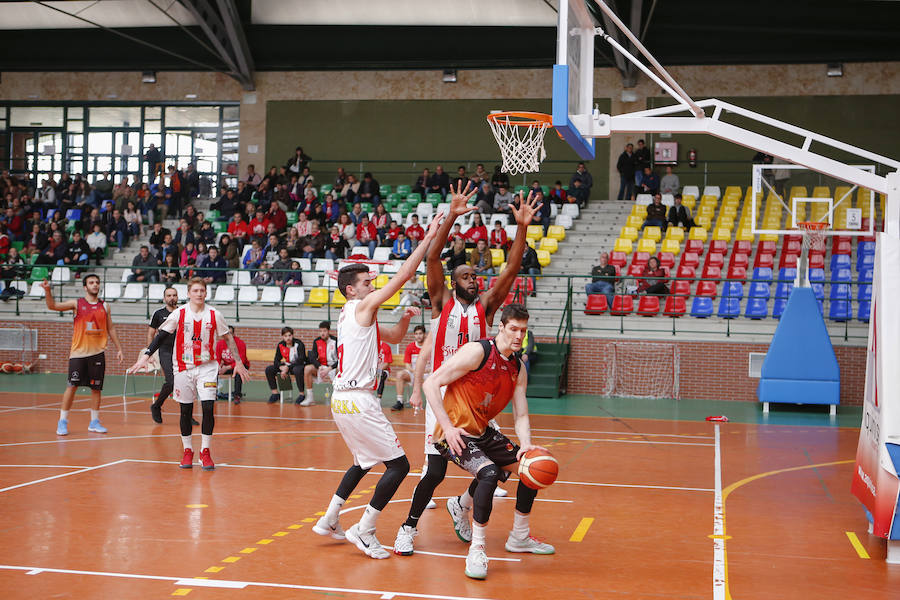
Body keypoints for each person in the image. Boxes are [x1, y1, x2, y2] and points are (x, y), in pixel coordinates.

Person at [392, 185, 541, 556]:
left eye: (475, 274)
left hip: (476, 395)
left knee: (502, 468)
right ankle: (407, 528)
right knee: (435, 472)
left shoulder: (486, 309)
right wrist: (453, 216)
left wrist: (521, 228)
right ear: (453, 281)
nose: (472, 278)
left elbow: (511, 269)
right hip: (442, 394)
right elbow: (431, 263)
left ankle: (462, 504)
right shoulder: (441, 303)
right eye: (465, 275)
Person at [312, 213, 445, 559]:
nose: (372, 286)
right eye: (367, 282)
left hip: (342, 399)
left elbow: (395, 337)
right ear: (351, 290)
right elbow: (402, 277)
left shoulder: (353, 315)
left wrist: (404, 318)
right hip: (358, 399)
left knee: (363, 461)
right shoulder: (362, 304)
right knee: (399, 466)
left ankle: (329, 518)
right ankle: (365, 528)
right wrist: (427, 239)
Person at [424, 303, 554, 579]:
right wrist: (446, 427)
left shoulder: (517, 368)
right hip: (453, 434)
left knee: (531, 468)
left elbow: (520, 413)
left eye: (524, 330)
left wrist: (527, 445)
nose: (519, 336)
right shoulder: (478, 352)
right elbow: (431, 383)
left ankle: (518, 537)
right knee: (490, 473)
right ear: (502, 328)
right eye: (514, 329)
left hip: (482, 432)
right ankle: (477, 549)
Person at [127, 277, 250, 470]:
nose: (199, 294)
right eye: (195, 291)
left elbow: (228, 338)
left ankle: (205, 452)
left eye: (202, 291)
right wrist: (146, 355)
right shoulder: (179, 313)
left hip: (207, 367)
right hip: (183, 367)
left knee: (208, 408)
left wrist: (239, 362)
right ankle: (187, 451)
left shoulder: (214, 314)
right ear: (189, 293)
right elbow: (161, 336)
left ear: (206, 293)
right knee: (185, 410)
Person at [43, 275, 124, 436]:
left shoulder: (105, 306)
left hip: (97, 353)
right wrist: (47, 290)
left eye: (97, 282)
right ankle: (62, 421)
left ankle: (94, 422)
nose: (95, 285)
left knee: (96, 388)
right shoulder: (77, 304)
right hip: (78, 354)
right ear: (85, 287)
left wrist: (119, 348)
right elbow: (52, 306)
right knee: (72, 386)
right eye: (91, 283)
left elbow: (111, 328)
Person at [147, 287, 198, 424]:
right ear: (164, 298)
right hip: (165, 351)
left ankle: (187, 415)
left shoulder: (184, 312)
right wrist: (149, 353)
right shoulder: (158, 314)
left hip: (182, 351)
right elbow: (151, 334)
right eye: (169, 295)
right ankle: (156, 406)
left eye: (174, 295)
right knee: (172, 381)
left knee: (186, 382)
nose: (172, 298)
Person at [264, 327, 308, 405]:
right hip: (286, 365)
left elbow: (301, 359)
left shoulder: (299, 344)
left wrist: (287, 368)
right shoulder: (281, 345)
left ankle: (302, 394)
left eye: (289, 335)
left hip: (298, 365)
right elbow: (276, 360)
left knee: (297, 370)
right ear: (282, 337)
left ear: (292, 335)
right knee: (269, 369)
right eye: (285, 336)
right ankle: (275, 394)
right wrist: (281, 367)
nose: (288, 338)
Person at [392, 325, 426, 411]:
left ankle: (432, 403)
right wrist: (414, 371)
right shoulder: (410, 347)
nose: (418, 336)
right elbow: (407, 365)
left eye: (420, 333)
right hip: (413, 373)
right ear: (414, 335)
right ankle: (399, 402)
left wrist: (422, 372)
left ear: (424, 334)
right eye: (416, 334)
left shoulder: (429, 347)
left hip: (426, 373)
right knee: (400, 374)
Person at [303, 321, 337, 405]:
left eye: (324, 331)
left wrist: (329, 368)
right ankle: (310, 397)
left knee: (341, 369)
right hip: (321, 367)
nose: (322, 333)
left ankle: (337, 398)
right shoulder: (316, 341)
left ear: (328, 331)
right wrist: (319, 366)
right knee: (307, 368)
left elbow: (341, 358)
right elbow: (313, 357)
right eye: (321, 331)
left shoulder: (336, 341)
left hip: (333, 367)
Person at [217, 325, 249, 404]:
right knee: (213, 371)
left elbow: (242, 360)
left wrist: (227, 367)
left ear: (233, 334)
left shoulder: (240, 343)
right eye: (226, 333)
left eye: (230, 333)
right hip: (226, 366)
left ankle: (237, 395)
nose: (228, 336)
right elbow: (217, 358)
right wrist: (218, 367)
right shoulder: (220, 344)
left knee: (239, 371)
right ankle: (213, 394)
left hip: (241, 365)